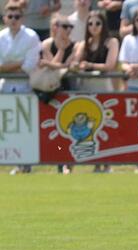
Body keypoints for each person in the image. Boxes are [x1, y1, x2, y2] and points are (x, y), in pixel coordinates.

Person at [72, 10, 120, 173]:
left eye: (97, 23)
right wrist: (77, 64)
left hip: (103, 88)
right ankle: (94, 161)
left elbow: (109, 65)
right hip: (85, 88)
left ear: (103, 25)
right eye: (90, 24)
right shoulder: (83, 44)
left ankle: (106, 163)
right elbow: (76, 63)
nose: (93, 27)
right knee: (89, 127)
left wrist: (90, 65)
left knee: (104, 126)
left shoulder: (111, 42)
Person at [1, 1, 42, 176]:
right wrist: (18, 64)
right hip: (5, 88)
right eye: (10, 17)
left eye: (17, 17)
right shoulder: (1, 37)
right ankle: (14, 163)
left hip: (26, 88)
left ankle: (26, 164)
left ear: (22, 18)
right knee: (8, 128)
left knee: (26, 127)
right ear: (5, 18)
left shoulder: (31, 36)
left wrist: (9, 66)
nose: (13, 20)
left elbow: (30, 65)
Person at [40, 13, 77, 173]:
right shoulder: (47, 44)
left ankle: (69, 164)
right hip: (51, 92)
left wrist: (53, 64)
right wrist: (61, 50)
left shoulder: (76, 45)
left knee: (71, 128)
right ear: (56, 28)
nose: (68, 30)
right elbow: (56, 66)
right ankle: (59, 164)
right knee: (54, 130)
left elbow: (65, 67)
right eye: (64, 26)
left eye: (70, 27)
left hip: (70, 90)